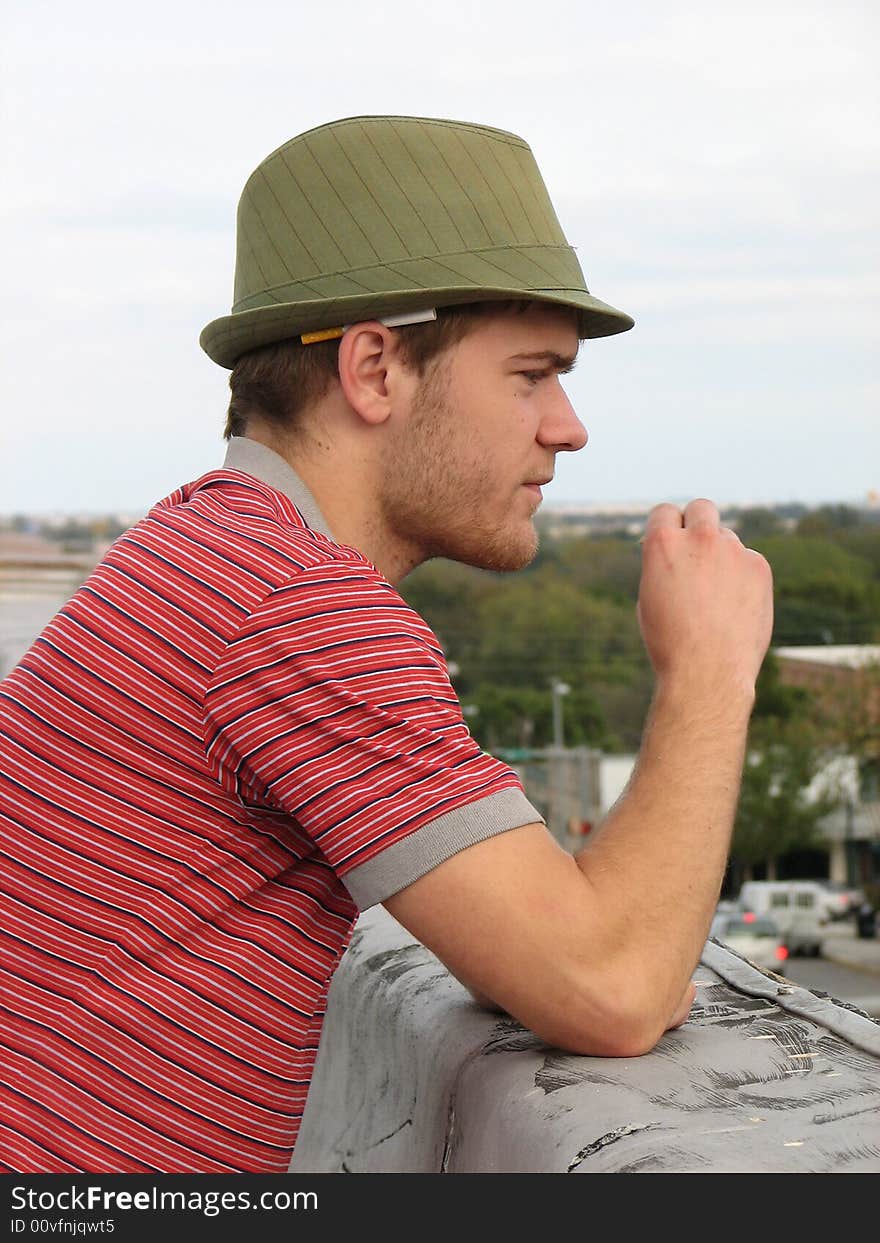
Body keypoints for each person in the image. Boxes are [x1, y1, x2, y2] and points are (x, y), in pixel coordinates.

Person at [0, 115, 773, 1174]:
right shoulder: (292, 601)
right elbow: (613, 987)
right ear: (373, 367)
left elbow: (538, 954)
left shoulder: (202, 546)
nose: (568, 425)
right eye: (531, 374)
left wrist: (579, 946)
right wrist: (712, 668)